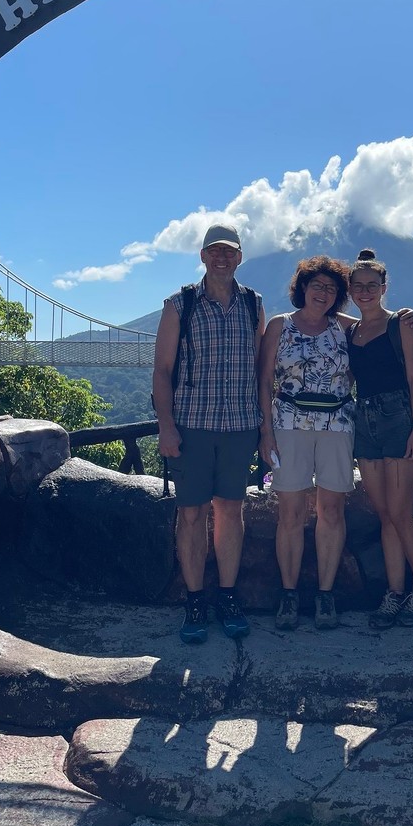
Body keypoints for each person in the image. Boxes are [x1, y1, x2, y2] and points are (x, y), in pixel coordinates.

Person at [152, 223, 264, 644]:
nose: (222, 257)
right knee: (192, 515)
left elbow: (260, 372)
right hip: (192, 426)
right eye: (214, 251)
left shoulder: (254, 305)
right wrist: (166, 426)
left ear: (239, 257)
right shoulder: (179, 304)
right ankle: (195, 600)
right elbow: (162, 372)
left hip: (239, 426)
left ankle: (228, 597)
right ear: (202, 256)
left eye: (229, 251)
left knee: (231, 512)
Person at [258, 256, 355, 631]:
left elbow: (383, 323)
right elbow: (264, 380)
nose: (324, 293)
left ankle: (326, 596)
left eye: (331, 288)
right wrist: (265, 433)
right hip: (288, 424)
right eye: (317, 285)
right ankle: (289, 593)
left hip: (337, 424)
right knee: (291, 514)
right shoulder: (279, 326)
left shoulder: (346, 327)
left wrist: (405, 317)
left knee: (332, 512)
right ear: (302, 287)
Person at [346, 248, 413, 628]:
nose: (366, 292)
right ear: (350, 290)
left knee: (402, 514)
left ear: (385, 288)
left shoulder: (400, 324)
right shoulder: (350, 329)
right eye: (358, 286)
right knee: (385, 514)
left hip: (399, 417)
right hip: (363, 419)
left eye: (373, 285)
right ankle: (395, 592)